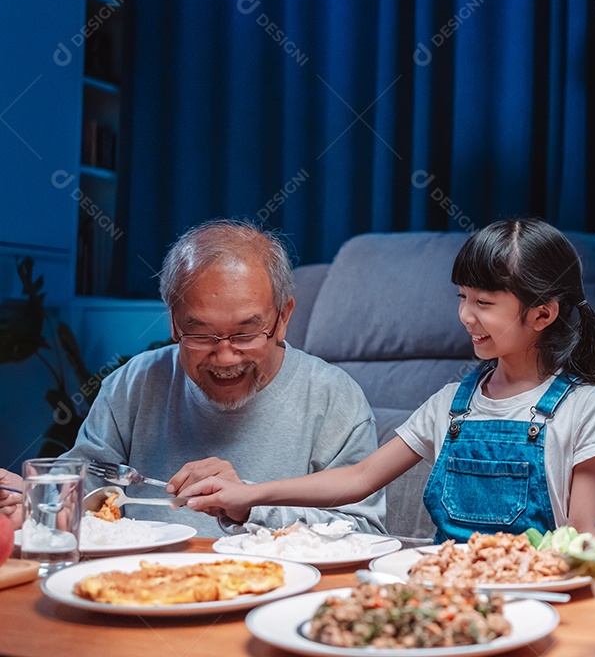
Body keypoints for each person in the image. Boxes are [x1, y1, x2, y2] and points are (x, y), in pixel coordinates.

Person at [181, 217, 595, 542]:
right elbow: (357, 478)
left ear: (542, 313)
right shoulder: (451, 404)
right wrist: (250, 496)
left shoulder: (585, 406)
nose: (465, 315)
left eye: (485, 303)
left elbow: (580, 542)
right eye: (462, 298)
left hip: (540, 599)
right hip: (446, 596)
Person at [0, 219, 386, 537]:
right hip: (134, 587)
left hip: (269, 597)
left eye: (245, 334)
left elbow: (362, 531)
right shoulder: (133, 384)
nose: (224, 356)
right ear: (172, 322)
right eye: (200, 334)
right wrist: (31, 503)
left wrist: (250, 505)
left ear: (283, 318)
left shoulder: (335, 399)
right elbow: (82, 494)